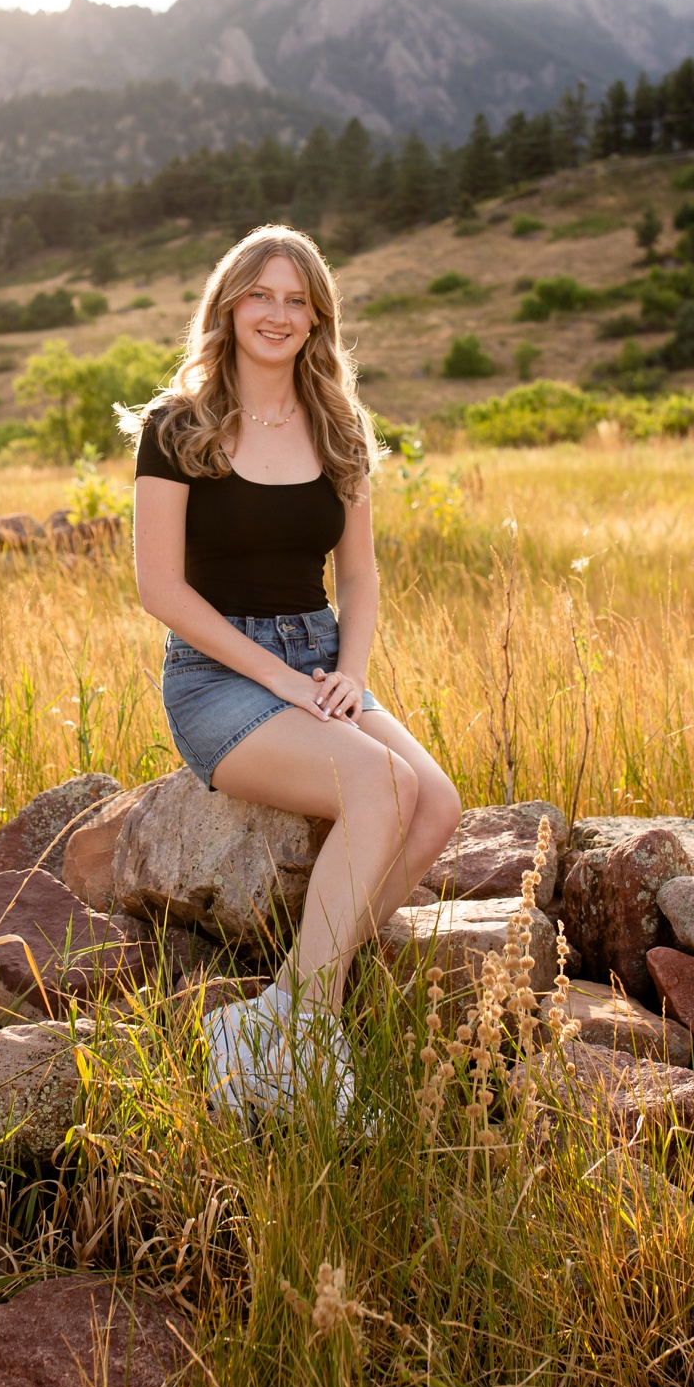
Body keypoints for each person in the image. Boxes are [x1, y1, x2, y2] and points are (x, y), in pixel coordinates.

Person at [123, 224, 463, 1123]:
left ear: (317, 321)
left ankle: (279, 1007)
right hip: (218, 672)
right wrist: (278, 679)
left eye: (296, 301)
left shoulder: (339, 426)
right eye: (260, 295)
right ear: (229, 306)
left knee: (438, 805)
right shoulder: (177, 427)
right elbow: (159, 588)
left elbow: (358, 573)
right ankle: (308, 1033)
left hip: (318, 659)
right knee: (379, 782)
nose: (277, 314)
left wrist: (349, 673)